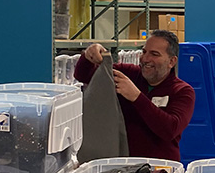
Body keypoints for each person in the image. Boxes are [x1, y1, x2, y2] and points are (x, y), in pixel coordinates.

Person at [74, 30, 195, 162]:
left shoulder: (182, 91)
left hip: (160, 170)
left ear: (171, 61)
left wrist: (136, 97)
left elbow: (169, 130)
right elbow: (84, 75)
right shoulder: (129, 74)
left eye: (154, 54)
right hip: (123, 165)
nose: (145, 59)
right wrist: (89, 55)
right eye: (144, 52)